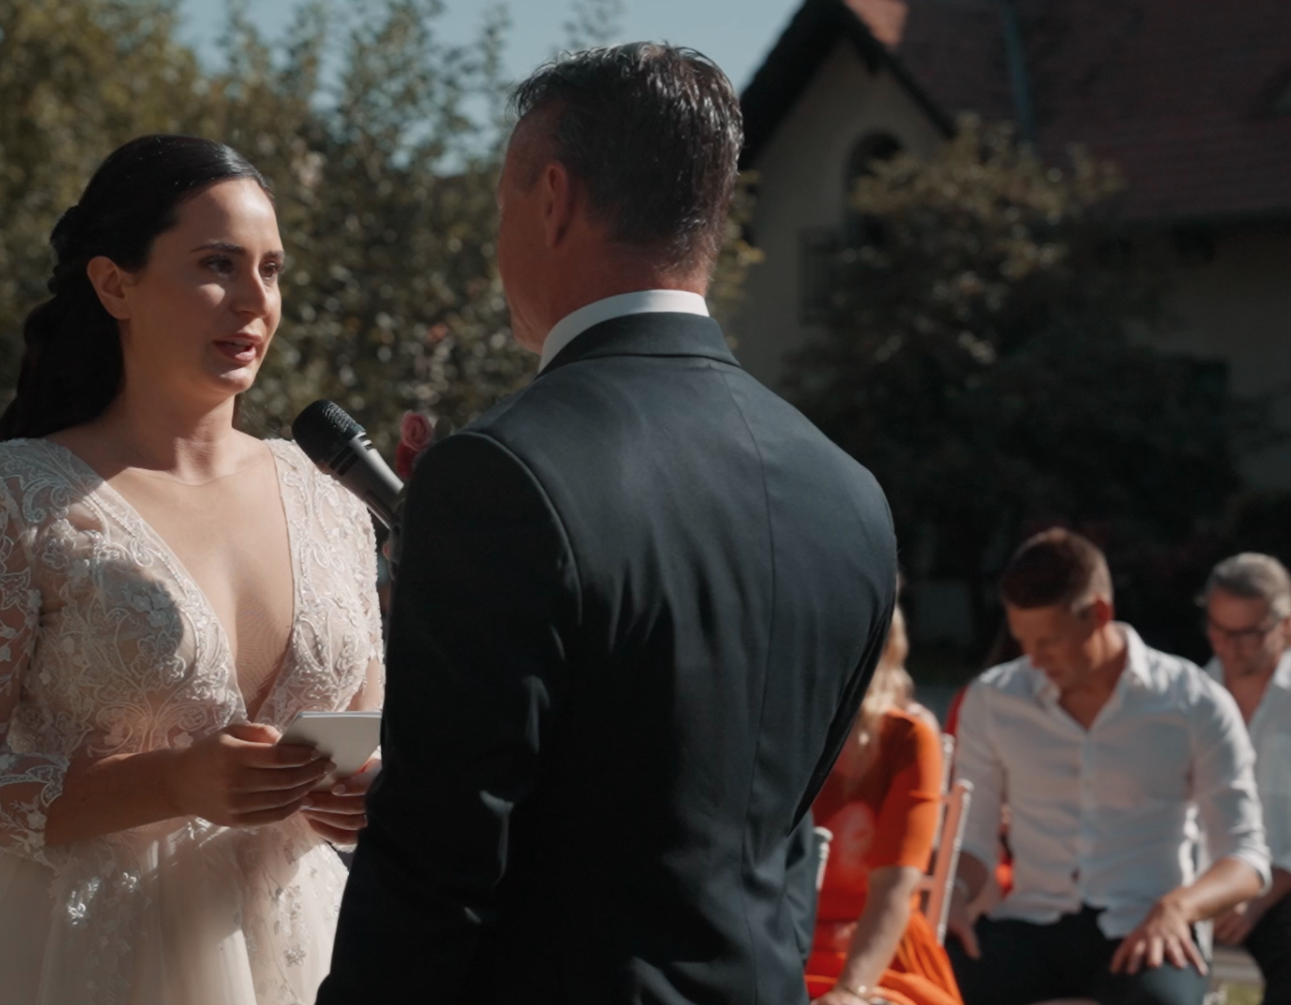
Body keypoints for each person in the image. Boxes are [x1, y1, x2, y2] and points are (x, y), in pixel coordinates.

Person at [319, 43, 899, 1005]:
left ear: (552, 197)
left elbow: (437, 863)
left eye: (501, 203)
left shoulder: (503, 471)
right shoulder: (850, 493)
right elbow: (783, 831)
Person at [0, 134, 385, 1005]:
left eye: (271, 270)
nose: (254, 301)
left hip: (301, 951)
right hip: (73, 962)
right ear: (115, 284)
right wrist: (170, 780)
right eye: (217, 265)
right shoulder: (10, 500)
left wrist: (361, 788)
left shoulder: (332, 501)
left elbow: (365, 723)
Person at [947, 529, 1270, 1005]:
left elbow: (1246, 859)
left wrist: (1178, 908)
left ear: (1099, 614)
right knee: (933, 983)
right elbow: (973, 839)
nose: (1034, 658)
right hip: (1030, 922)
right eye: (1023, 640)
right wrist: (953, 892)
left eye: (1050, 641)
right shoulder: (994, 700)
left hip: (1145, 927)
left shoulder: (1194, 702)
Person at [806, 607, 964, 1005]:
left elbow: (894, 890)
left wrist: (849, 992)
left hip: (877, 958)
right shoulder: (771, 727)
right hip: (783, 944)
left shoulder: (906, 738)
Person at [1202, 553, 1291, 1005]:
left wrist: (1261, 894)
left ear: (1285, 627)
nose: (1229, 647)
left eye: (1248, 635)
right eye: (1219, 631)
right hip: (1199, 882)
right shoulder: (1190, 697)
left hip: (1281, 887)